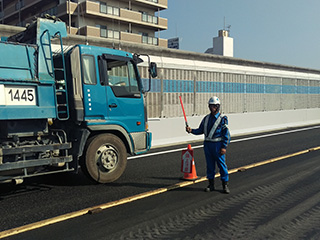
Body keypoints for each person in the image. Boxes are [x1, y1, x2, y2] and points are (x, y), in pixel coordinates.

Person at [186, 96, 231, 193]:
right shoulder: (206, 118)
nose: (212, 108)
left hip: (218, 146)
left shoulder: (223, 119)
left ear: (218, 107)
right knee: (210, 166)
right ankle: (211, 185)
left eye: (214, 106)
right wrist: (191, 130)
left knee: (222, 166)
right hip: (208, 146)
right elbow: (200, 130)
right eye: (210, 106)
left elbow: (226, 134)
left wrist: (224, 147)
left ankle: (225, 185)